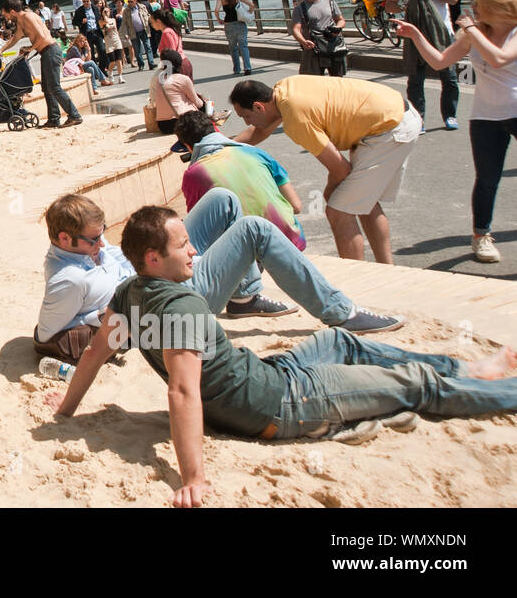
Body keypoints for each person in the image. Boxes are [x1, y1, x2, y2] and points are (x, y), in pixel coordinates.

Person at [53, 204, 517, 508]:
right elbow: (181, 390)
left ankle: (467, 368)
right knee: (414, 383)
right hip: (282, 405)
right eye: (183, 246)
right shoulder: (182, 306)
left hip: (268, 375)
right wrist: (192, 479)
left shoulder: (130, 291)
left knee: (343, 342)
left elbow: (95, 352)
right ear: (153, 257)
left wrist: (66, 410)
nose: (195, 251)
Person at [33, 188, 398, 366]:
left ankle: (243, 297)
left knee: (221, 199)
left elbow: (109, 252)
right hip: (168, 295)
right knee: (255, 229)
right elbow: (46, 336)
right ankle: (340, 312)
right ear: (65, 239)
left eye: (100, 236)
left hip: (152, 264)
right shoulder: (68, 279)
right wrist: (101, 323)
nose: (101, 242)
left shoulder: (87, 249)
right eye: (94, 239)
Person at [230, 77, 420, 264]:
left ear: (258, 107)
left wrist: (329, 193)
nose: (247, 123)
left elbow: (340, 169)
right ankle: (386, 268)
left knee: (339, 210)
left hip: (389, 128)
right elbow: (260, 131)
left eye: (246, 116)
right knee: (362, 202)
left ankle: (356, 276)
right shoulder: (283, 90)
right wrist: (226, 143)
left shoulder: (297, 119)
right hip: (392, 114)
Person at [394, 0, 517, 263]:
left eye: (478, 3)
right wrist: (415, 36)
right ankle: (481, 236)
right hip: (486, 117)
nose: (472, 7)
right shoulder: (474, 34)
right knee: (487, 179)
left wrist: (471, 29)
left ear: (496, 5)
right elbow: (439, 61)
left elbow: (499, 59)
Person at [174, 110, 305, 251]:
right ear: (214, 130)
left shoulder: (193, 175)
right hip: (289, 237)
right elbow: (296, 206)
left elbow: (201, 225)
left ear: (187, 146)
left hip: (245, 251)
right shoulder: (256, 153)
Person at [386, 0, 459, 131]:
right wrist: (402, 7)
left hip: (441, 32)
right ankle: (419, 120)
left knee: (449, 77)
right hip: (415, 36)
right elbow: (390, 5)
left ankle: (450, 115)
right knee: (415, 80)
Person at [1, 0, 83, 129]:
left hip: (50, 51)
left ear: (12, 11)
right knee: (47, 88)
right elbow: (15, 38)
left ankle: (74, 115)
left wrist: (30, 48)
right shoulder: (21, 21)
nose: (5, 17)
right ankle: (54, 119)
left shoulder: (28, 16)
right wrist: (0, 50)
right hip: (46, 53)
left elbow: (42, 36)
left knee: (54, 87)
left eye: (5, 14)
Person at [291, 0, 346, 77]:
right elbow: (295, 29)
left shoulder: (330, 2)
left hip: (333, 45)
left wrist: (338, 28)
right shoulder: (299, 9)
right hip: (313, 49)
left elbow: (341, 20)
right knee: (314, 81)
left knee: (338, 79)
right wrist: (303, 41)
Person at [148, 51, 205, 134]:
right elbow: (198, 103)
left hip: (163, 125)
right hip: (181, 123)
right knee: (203, 104)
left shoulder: (159, 80)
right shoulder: (183, 79)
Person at [216, 0, 255, 76]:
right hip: (240, 23)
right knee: (243, 46)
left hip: (228, 25)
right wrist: (248, 13)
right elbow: (252, 5)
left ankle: (237, 69)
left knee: (233, 48)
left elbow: (216, 10)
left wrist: (219, 20)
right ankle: (248, 68)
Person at [149, 9, 192, 79]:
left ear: (158, 21)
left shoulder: (167, 32)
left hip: (178, 66)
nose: (151, 25)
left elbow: (171, 54)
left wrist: (167, 73)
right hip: (183, 63)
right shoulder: (172, 29)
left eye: (152, 22)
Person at [122, 0, 154, 70]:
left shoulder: (142, 7)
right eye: (128, 2)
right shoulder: (126, 11)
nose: (129, 3)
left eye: (131, 1)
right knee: (137, 50)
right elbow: (124, 23)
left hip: (144, 30)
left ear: (135, 1)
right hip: (133, 32)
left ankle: (151, 63)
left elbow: (147, 15)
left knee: (148, 47)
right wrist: (126, 34)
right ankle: (141, 65)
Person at [99, 4, 125, 84]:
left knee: (119, 60)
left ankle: (120, 77)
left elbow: (116, 29)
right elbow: (104, 24)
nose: (107, 12)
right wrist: (104, 15)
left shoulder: (113, 20)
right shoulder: (101, 21)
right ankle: (110, 72)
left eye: (108, 11)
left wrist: (119, 40)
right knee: (112, 61)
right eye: (105, 11)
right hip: (108, 42)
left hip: (116, 39)